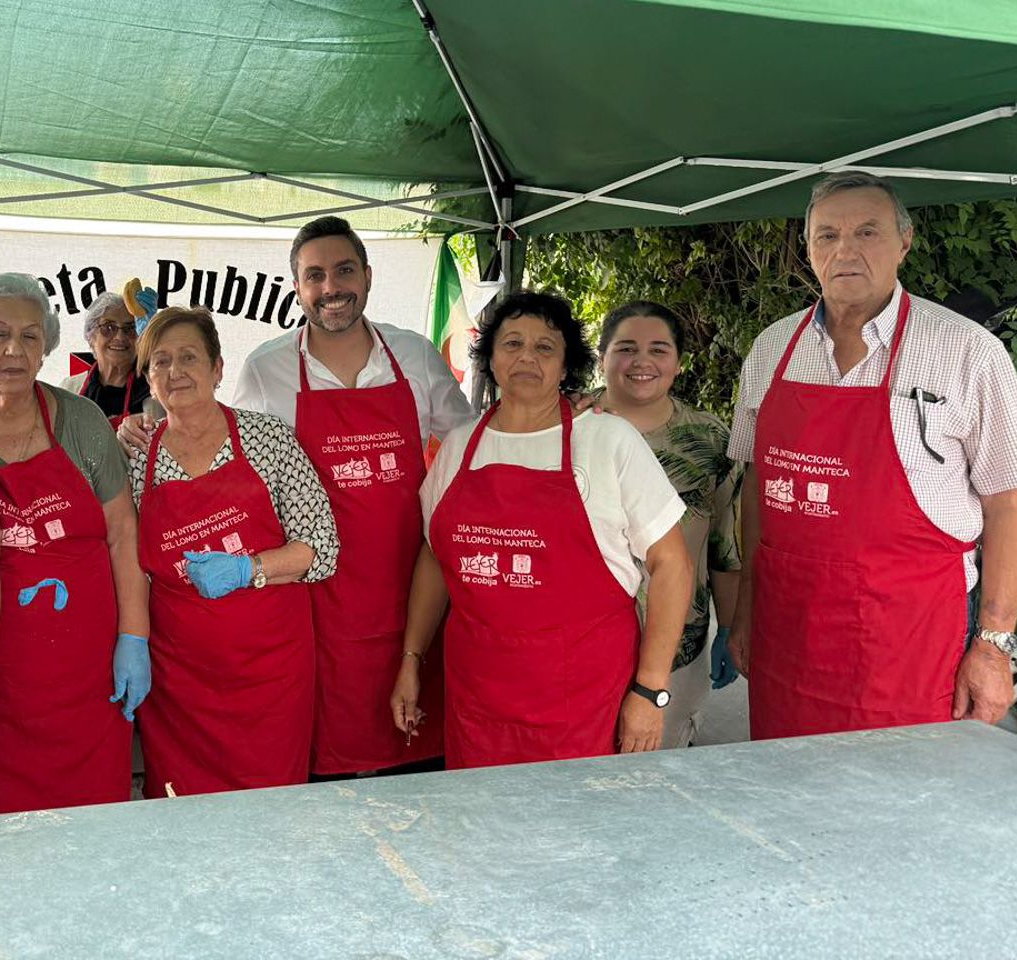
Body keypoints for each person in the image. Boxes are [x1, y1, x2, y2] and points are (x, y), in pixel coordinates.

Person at [120, 216, 473, 777]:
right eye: (315, 276)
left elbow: (470, 450)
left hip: (411, 592)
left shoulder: (415, 356)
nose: (331, 287)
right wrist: (141, 425)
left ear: (368, 275)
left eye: (344, 270)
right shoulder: (268, 368)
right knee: (321, 775)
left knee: (411, 775)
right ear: (298, 287)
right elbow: (214, 437)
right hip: (312, 611)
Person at [727, 173, 1017, 739]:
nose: (845, 250)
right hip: (788, 629)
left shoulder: (966, 351)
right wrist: (746, 607)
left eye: (867, 232)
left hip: (910, 636)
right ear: (809, 248)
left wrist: (993, 646)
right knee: (785, 781)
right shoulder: (772, 348)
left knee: (908, 785)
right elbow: (757, 489)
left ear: (905, 241)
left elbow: (1010, 508)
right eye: (827, 235)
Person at [392, 290, 694, 767]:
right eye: (512, 343)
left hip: (585, 702)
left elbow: (672, 563)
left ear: (566, 364)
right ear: (490, 358)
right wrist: (412, 658)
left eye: (544, 347)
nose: (527, 357)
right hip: (478, 701)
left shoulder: (607, 439)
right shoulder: (459, 446)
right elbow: (435, 557)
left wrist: (650, 689)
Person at [0, 274, 149, 814]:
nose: (14, 349)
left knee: (91, 821)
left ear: (47, 347)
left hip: (85, 673)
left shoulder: (82, 421)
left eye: (30, 336)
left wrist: (134, 636)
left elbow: (123, 534)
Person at [130, 306, 339, 796]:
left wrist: (248, 568)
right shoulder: (137, 455)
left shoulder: (268, 438)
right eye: (161, 362)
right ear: (148, 378)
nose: (176, 372)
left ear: (218, 368)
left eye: (189, 357)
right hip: (180, 683)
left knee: (271, 805)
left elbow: (322, 547)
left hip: (270, 675)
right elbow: (130, 562)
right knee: (184, 810)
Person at [597, 301, 741, 748]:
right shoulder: (568, 426)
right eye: (626, 348)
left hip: (678, 648)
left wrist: (730, 628)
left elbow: (725, 549)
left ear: (678, 364)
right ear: (601, 358)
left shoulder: (710, 440)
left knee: (658, 770)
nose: (642, 361)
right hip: (582, 648)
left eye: (659, 350)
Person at [62, 291, 151, 429]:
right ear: (91, 337)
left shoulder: (153, 389)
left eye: (130, 328)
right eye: (108, 327)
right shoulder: (69, 389)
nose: (120, 337)